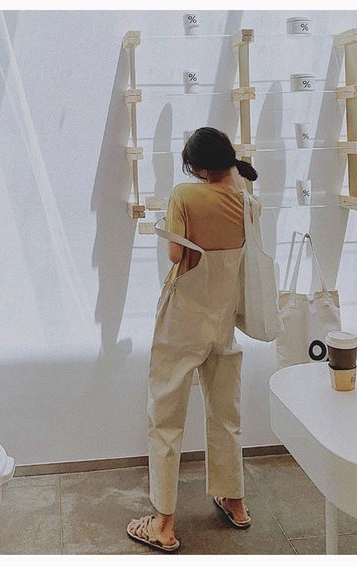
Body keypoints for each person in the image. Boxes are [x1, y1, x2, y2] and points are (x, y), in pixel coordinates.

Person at [127, 127, 260, 552]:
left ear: (198, 168)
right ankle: (235, 501)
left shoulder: (184, 195)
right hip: (223, 318)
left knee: (165, 416)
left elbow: (175, 254)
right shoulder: (247, 200)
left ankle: (163, 523)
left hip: (184, 317)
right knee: (226, 412)